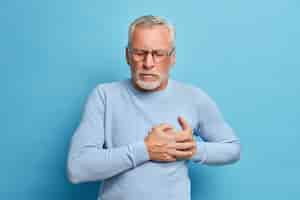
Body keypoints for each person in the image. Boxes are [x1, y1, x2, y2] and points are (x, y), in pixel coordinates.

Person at [67, 15, 241, 200]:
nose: (148, 63)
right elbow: (78, 168)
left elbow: (232, 149)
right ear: (127, 56)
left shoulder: (193, 97)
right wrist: (146, 150)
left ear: (172, 57)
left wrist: (191, 150)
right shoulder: (105, 96)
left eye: (158, 54)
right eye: (140, 53)